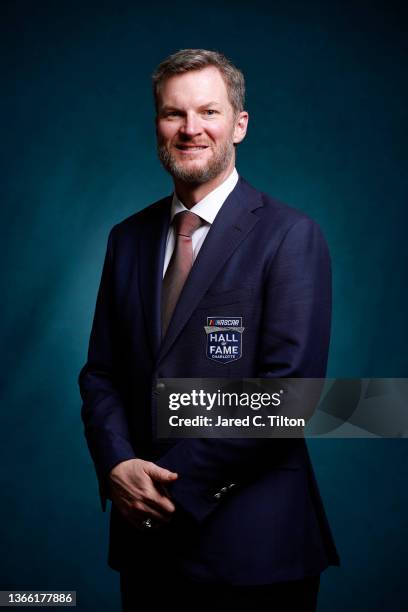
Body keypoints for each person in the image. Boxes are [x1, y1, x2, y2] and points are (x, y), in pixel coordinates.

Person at [79, 48, 340, 611]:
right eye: (174, 114)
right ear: (157, 124)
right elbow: (102, 373)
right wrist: (117, 466)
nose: (190, 129)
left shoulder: (290, 235)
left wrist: (163, 487)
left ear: (239, 124)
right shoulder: (126, 238)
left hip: (254, 550)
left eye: (208, 112)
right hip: (145, 547)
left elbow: (287, 398)